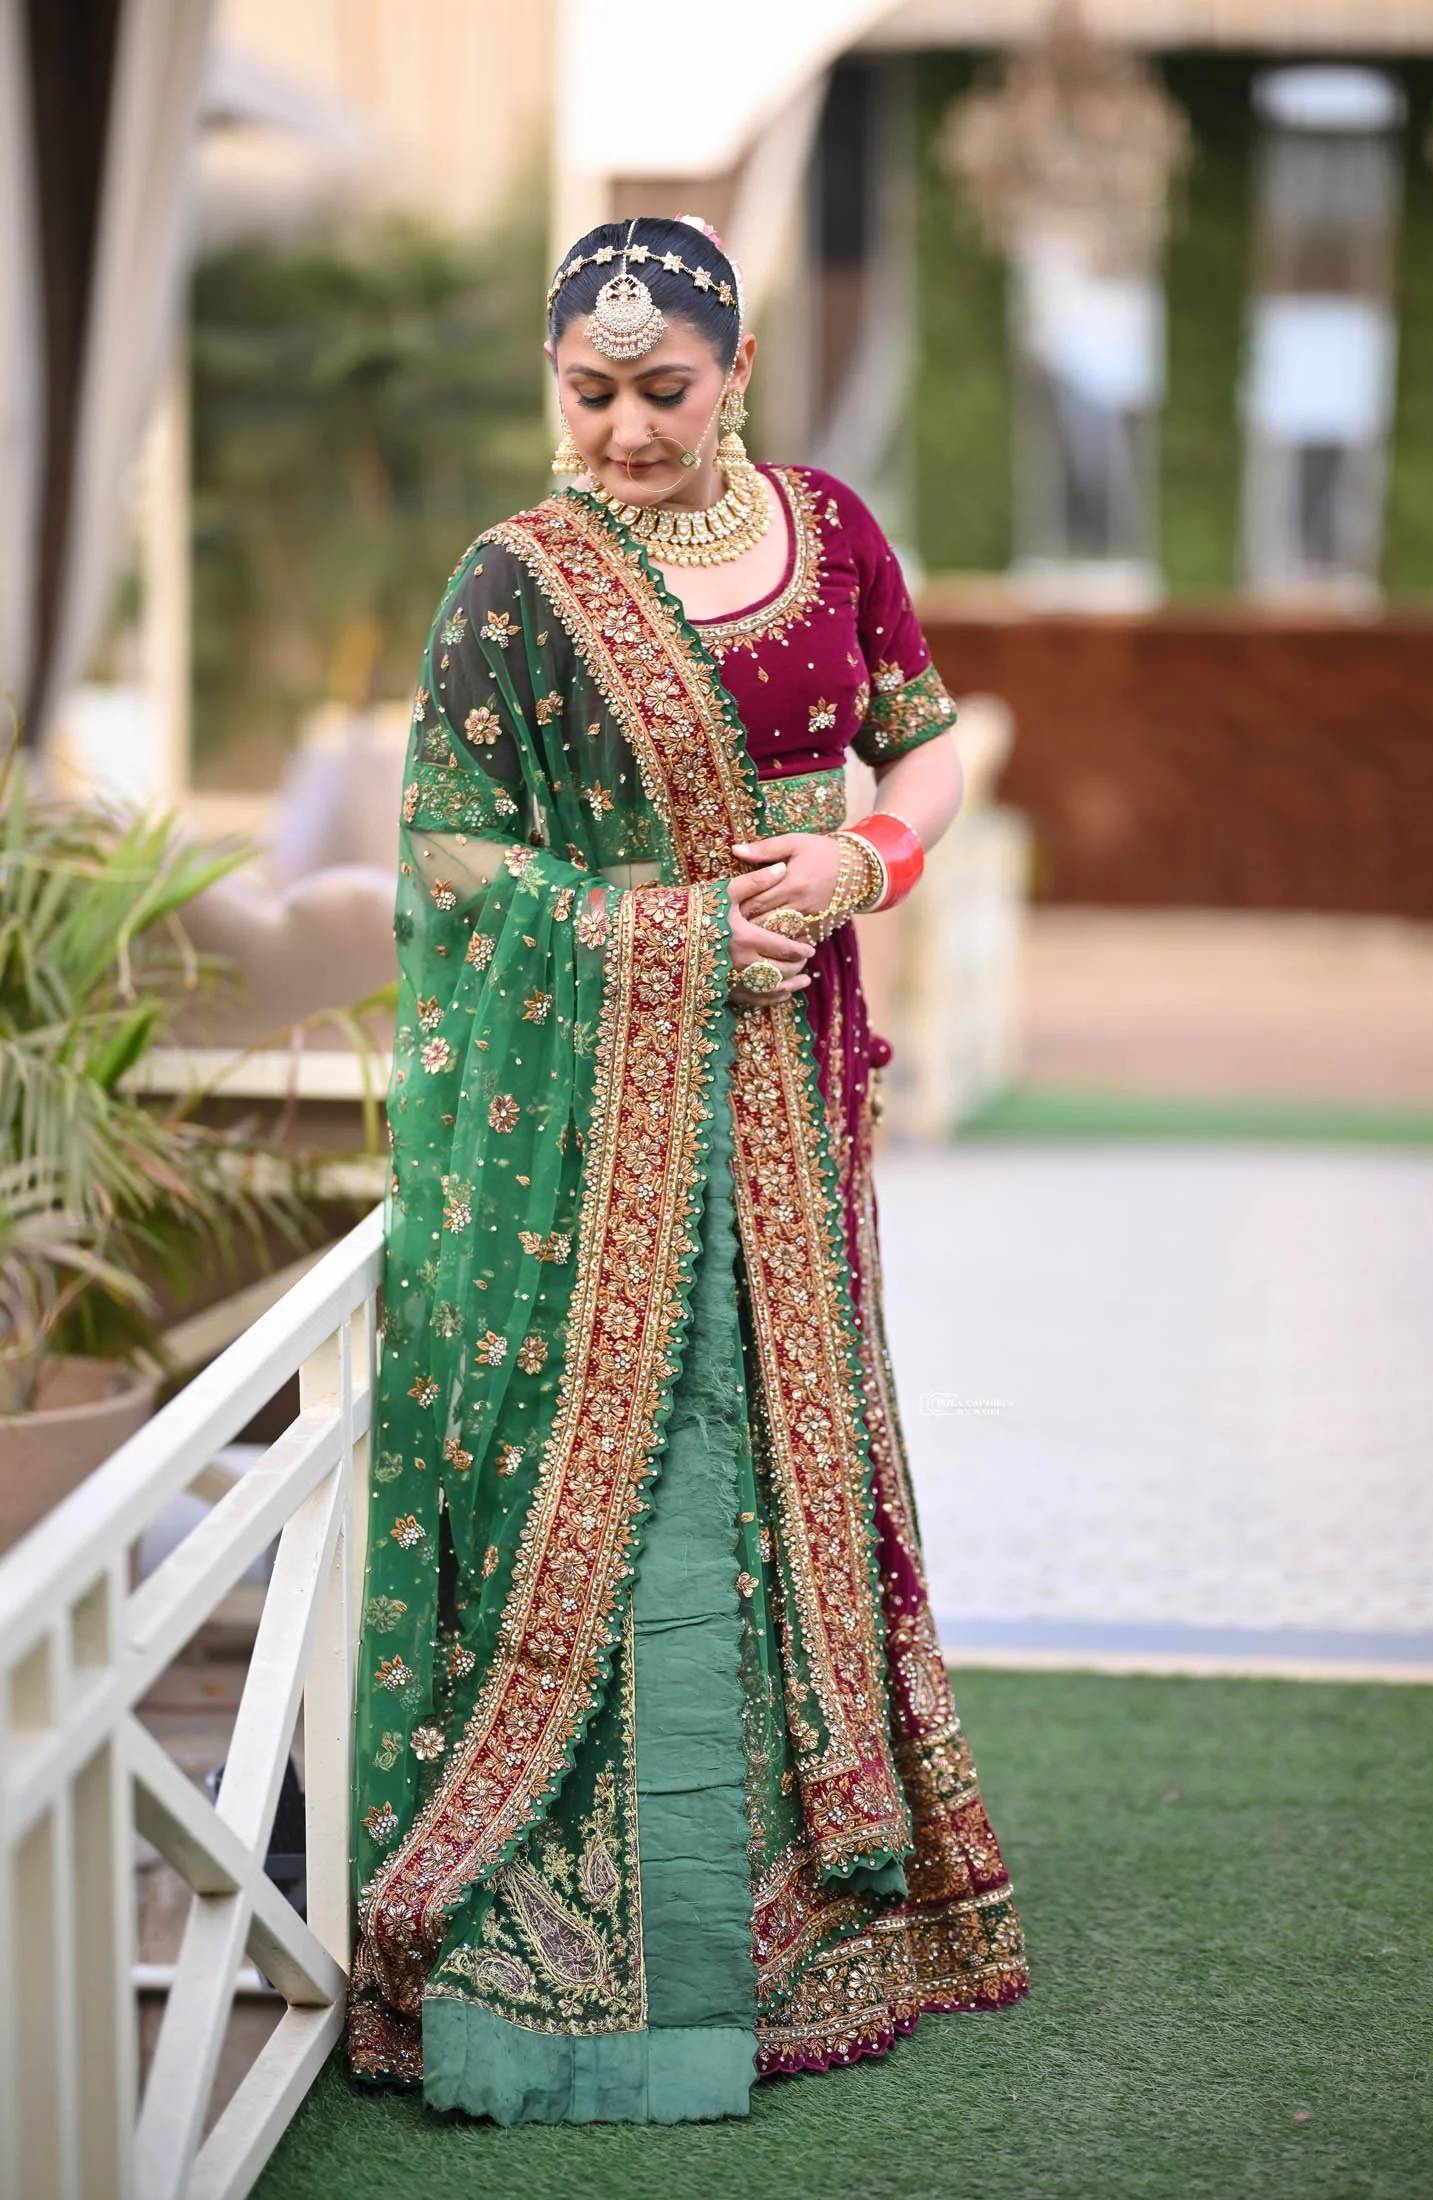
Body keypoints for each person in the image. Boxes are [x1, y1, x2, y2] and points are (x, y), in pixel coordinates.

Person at [348, 213, 1027, 2124]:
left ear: (736, 372)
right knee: (636, 1470)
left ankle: (835, 1896)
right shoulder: (515, 583)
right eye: (590, 393)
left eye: (664, 390)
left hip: (794, 1098)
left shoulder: (831, 539)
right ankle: (599, 1945)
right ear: (551, 385)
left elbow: (929, 750)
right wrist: (650, 939)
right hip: (589, 1143)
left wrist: (857, 868)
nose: (627, 430)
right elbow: (452, 853)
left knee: (795, 1452)